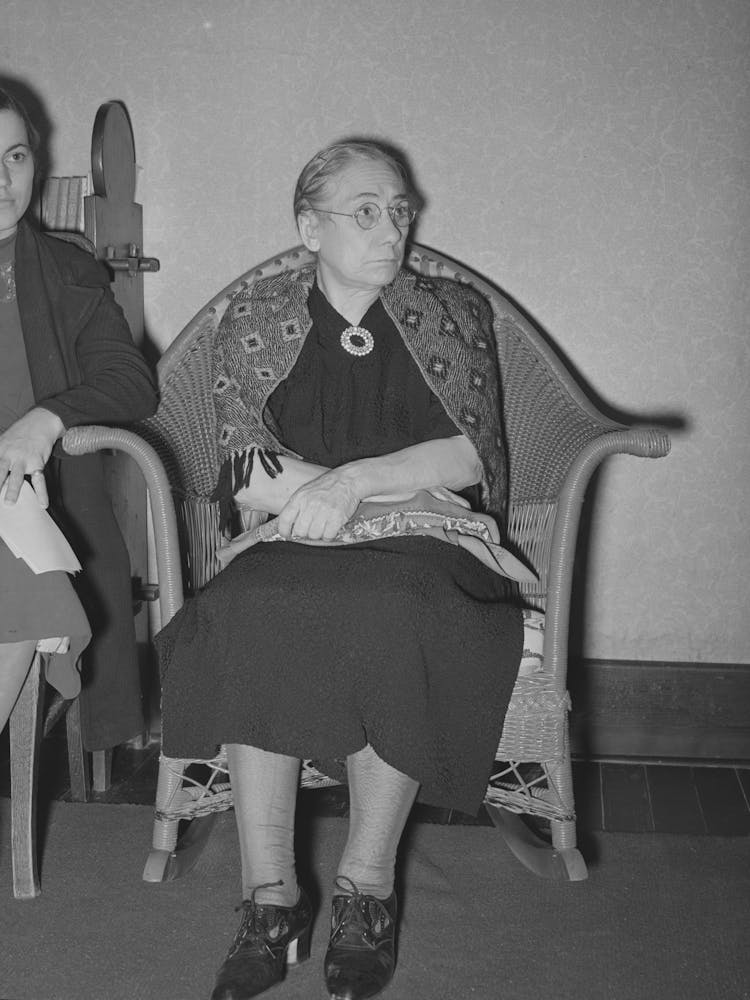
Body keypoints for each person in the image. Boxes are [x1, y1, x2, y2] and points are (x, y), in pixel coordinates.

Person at [156, 139, 524, 1000]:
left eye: (399, 209)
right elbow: (243, 467)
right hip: (294, 538)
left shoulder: (452, 313)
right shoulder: (252, 319)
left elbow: (473, 457)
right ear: (306, 226)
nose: (390, 227)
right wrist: (320, 500)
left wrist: (353, 485)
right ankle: (270, 904)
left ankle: (367, 894)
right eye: (364, 211)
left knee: (397, 609)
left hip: (425, 543)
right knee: (245, 609)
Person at [0, 87, 158, 747]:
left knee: (23, 584)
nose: (3, 180)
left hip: (30, 514)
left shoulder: (68, 269)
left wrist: (47, 419)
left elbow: (131, 381)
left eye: (14, 156)